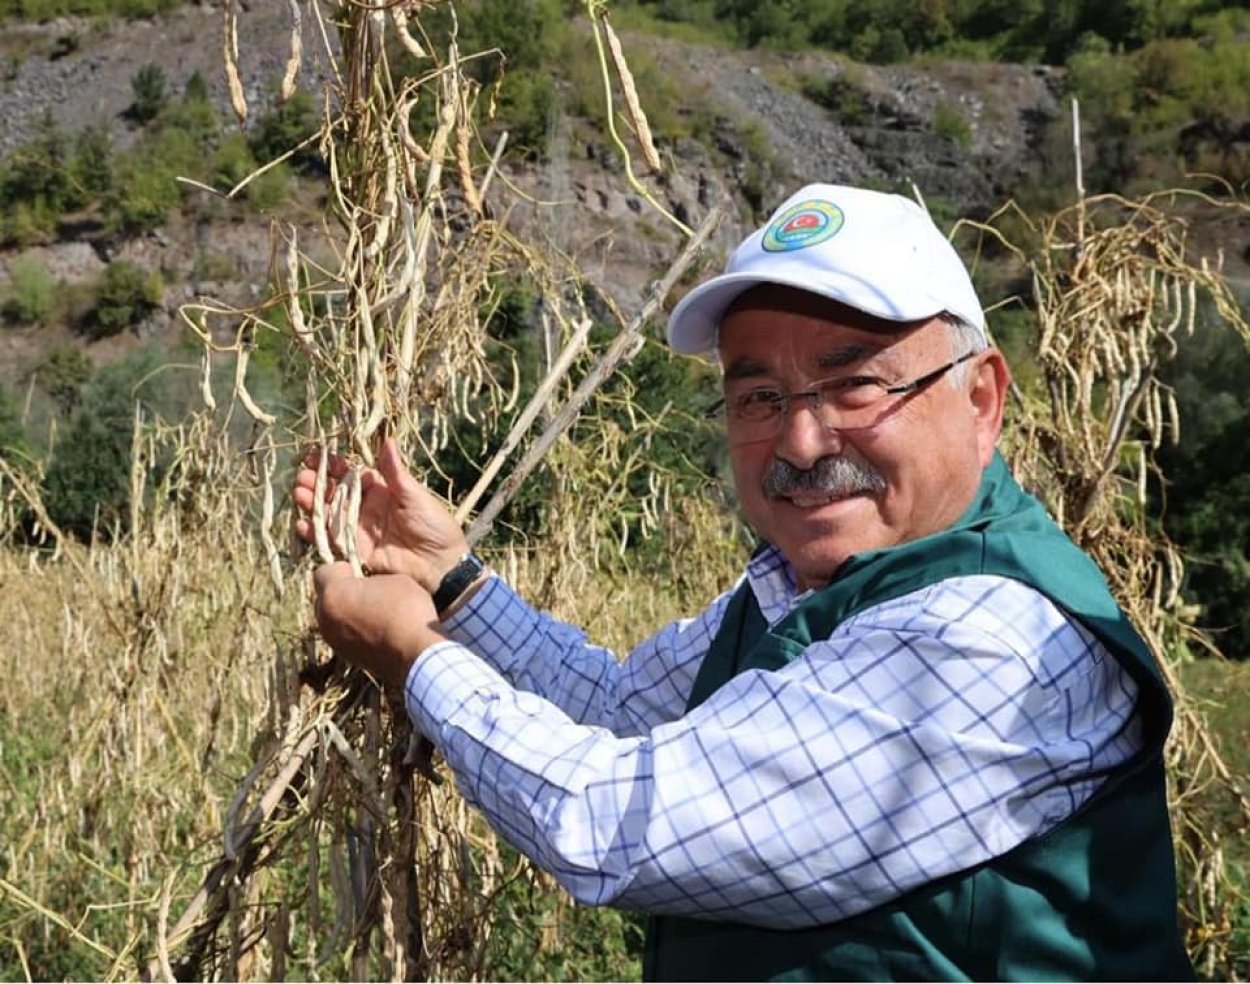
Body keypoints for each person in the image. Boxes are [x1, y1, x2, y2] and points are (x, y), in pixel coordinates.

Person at [295, 184, 1194, 981]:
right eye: (758, 398)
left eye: (855, 385)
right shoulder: (814, 585)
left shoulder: (990, 638)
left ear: (981, 397)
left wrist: (414, 657)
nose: (801, 444)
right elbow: (617, 708)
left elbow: (615, 821)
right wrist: (452, 582)